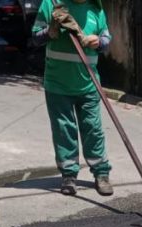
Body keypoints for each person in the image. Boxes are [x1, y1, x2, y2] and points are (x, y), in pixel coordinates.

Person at [32, 0, 114, 197]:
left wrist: (98, 41)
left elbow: (106, 38)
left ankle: (101, 174)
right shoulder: (51, 4)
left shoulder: (96, 8)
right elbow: (35, 37)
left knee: (93, 129)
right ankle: (68, 175)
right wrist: (49, 32)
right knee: (64, 130)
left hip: (88, 84)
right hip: (57, 84)